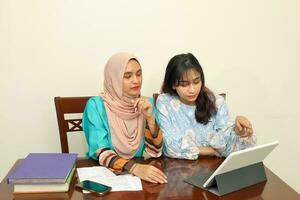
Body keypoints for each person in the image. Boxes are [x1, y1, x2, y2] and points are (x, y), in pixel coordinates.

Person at [82, 52, 167, 184]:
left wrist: (150, 119)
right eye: (127, 76)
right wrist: (134, 167)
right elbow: (101, 151)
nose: (136, 80)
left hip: (138, 178)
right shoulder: (96, 106)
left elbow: (156, 152)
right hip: (105, 175)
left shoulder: (145, 103)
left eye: (139, 74)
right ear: (113, 78)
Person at [156, 53, 256, 160]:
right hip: (179, 170)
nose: (192, 90)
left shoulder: (217, 102)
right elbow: (169, 147)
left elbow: (227, 148)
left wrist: (237, 130)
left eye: (196, 81)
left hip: (214, 168)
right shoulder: (164, 102)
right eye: (184, 84)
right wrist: (209, 151)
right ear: (173, 84)